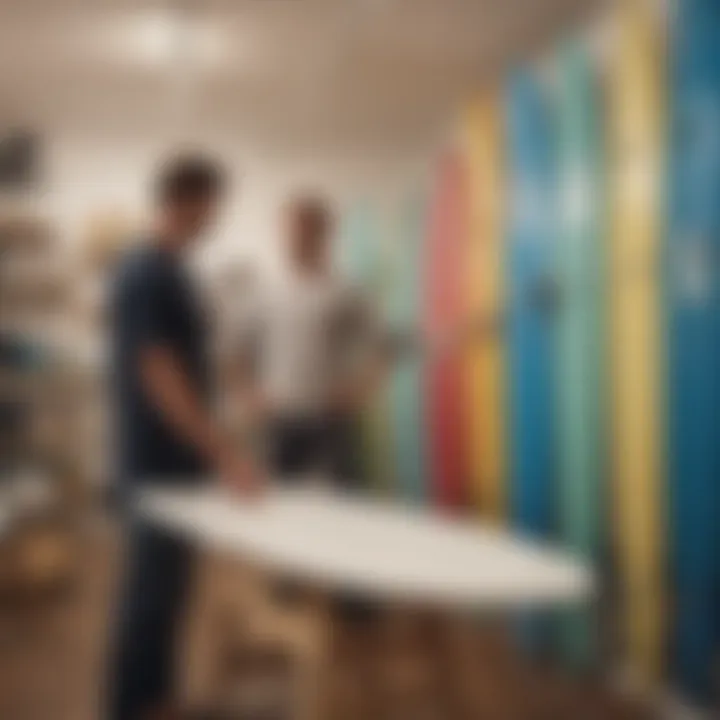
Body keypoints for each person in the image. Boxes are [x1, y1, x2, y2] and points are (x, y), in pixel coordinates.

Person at [107, 154, 259, 720]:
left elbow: (190, 367)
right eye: (211, 205)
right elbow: (159, 373)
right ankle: (132, 707)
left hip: (176, 465)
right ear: (184, 200)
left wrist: (218, 446)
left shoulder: (173, 270)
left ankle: (158, 701)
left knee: (168, 598)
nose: (214, 219)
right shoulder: (146, 269)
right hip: (156, 467)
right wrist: (225, 451)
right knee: (149, 601)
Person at [237, 195, 384, 489]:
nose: (296, 237)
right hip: (280, 416)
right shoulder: (263, 291)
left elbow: (379, 349)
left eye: (305, 229)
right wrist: (250, 395)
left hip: (331, 417)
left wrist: (357, 392)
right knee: (278, 504)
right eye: (291, 230)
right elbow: (237, 353)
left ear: (324, 233)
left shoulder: (346, 291)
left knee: (346, 502)